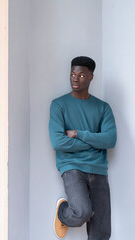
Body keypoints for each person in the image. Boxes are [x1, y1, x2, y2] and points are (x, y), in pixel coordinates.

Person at [48, 56, 117, 240]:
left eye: (81, 75)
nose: (75, 79)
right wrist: (94, 143)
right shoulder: (59, 105)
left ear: (91, 77)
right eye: (72, 74)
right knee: (81, 212)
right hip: (72, 167)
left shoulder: (103, 108)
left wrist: (80, 133)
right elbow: (58, 142)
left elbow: (110, 140)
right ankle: (63, 212)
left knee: (101, 232)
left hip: (99, 170)